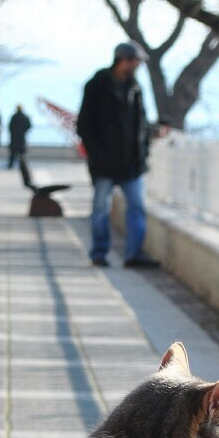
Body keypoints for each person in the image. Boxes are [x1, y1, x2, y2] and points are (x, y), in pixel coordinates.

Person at [76, 41, 159, 270]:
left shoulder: (135, 88)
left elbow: (140, 122)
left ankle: (133, 254)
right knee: (101, 208)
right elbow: (84, 124)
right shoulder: (97, 85)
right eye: (135, 62)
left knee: (137, 207)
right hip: (105, 162)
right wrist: (97, 152)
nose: (137, 66)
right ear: (123, 60)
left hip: (132, 162)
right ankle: (99, 253)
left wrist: (148, 139)